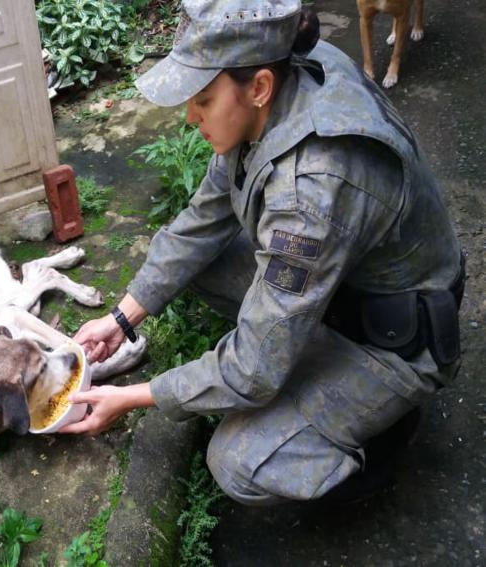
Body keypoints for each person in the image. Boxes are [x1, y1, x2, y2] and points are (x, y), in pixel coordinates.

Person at [61, 0, 464, 505]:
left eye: (203, 99)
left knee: (238, 461)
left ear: (258, 88)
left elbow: (254, 369)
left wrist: (135, 397)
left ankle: (377, 438)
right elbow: (202, 222)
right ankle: (311, 348)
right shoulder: (283, 74)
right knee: (203, 265)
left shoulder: (311, 191)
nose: (190, 116)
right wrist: (121, 319)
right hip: (346, 285)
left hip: (396, 341)